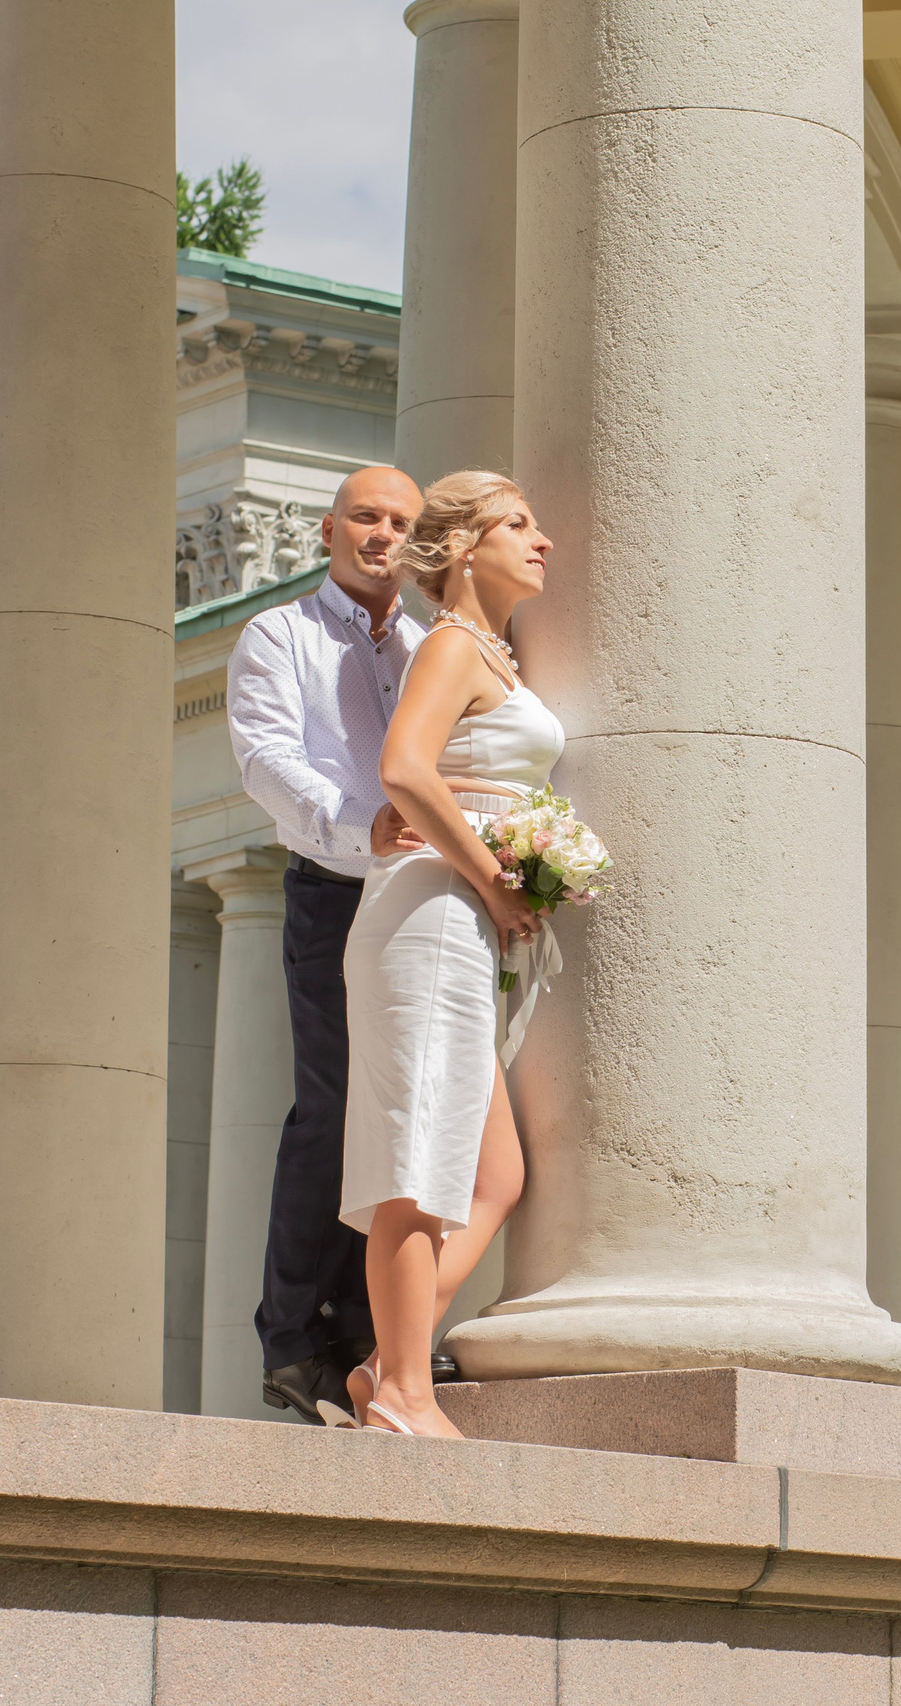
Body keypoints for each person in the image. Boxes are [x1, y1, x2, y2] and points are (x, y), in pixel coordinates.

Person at [337, 470, 555, 1437]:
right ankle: (405, 1395)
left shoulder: (495, 655)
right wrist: (496, 880)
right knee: (418, 1162)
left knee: (494, 1176)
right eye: (519, 525)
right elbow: (403, 768)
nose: (543, 541)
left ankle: (381, 1366)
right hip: (429, 917)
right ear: (465, 546)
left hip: (456, 921)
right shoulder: (453, 645)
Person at [224, 465, 440, 1424]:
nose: (383, 534)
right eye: (365, 517)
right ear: (328, 530)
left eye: (400, 521)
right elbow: (268, 759)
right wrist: (365, 826)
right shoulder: (280, 635)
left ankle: (367, 1332)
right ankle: (291, 1338)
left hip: (424, 897)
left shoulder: (433, 646)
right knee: (335, 1105)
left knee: (406, 1114)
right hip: (335, 890)